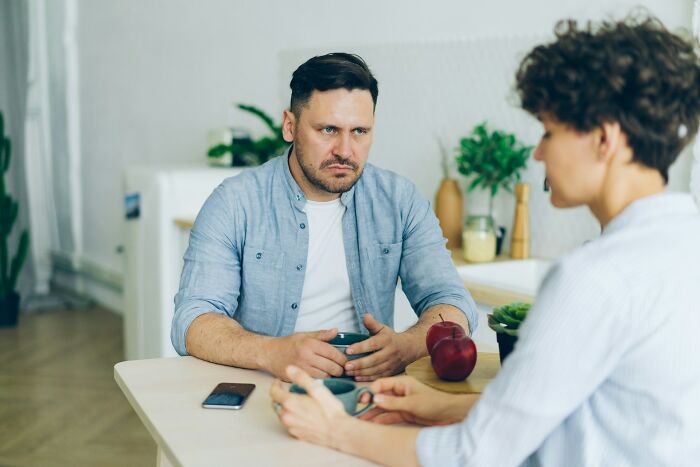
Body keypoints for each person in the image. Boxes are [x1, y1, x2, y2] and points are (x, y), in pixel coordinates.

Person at [270, 15, 700, 466]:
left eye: (549, 132)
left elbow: (471, 456)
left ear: (604, 140)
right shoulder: (685, 244)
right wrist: (447, 405)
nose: (538, 152)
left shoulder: (594, 279)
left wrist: (336, 430)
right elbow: (596, 411)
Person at [171, 52, 478, 382]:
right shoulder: (234, 202)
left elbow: (452, 302)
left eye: (359, 131)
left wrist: (408, 345)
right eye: (328, 129)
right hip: (268, 386)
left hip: (367, 392)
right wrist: (272, 352)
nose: (345, 150)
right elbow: (193, 320)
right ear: (290, 126)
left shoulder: (399, 200)